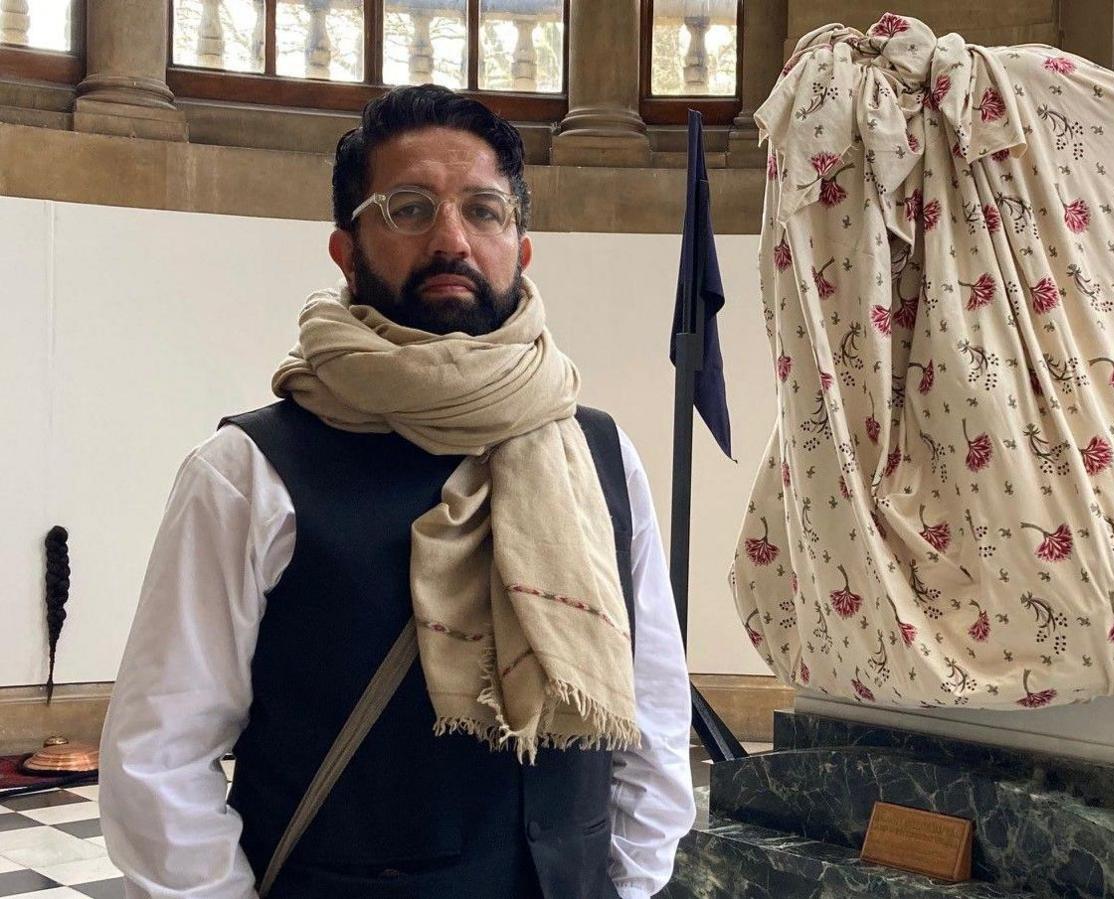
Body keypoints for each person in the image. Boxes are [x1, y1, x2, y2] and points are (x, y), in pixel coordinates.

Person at [99, 84, 695, 898]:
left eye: (484, 209)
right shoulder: (247, 471)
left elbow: (654, 711)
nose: (452, 237)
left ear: (520, 245)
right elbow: (158, 759)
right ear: (348, 250)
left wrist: (623, 881)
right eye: (409, 208)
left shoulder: (600, 451)